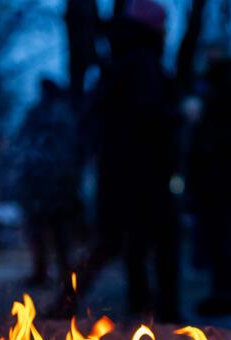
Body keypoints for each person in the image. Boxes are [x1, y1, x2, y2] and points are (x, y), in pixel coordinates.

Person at [64, 0, 180, 322]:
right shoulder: (144, 64)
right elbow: (147, 116)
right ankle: (165, 316)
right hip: (145, 172)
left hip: (117, 171)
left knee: (123, 243)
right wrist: (180, 115)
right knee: (157, 242)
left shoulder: (116, 63)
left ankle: (135, 307)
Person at [188, 57, 231, 316]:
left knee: (223, 239)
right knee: (227, 238)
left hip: (220, 182)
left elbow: (214, 143)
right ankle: (226, 292)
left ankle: (226, 295)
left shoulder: (221, 104)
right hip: (229, 182)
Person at [16, 79, 79, 286]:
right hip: (41, 183)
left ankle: (62, 274)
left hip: (53, 184)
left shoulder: (59, 115)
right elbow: (24, 144)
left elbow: (69, 148)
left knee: (56, 232)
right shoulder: (42, 114)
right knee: (42, 232)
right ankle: (46, 272)